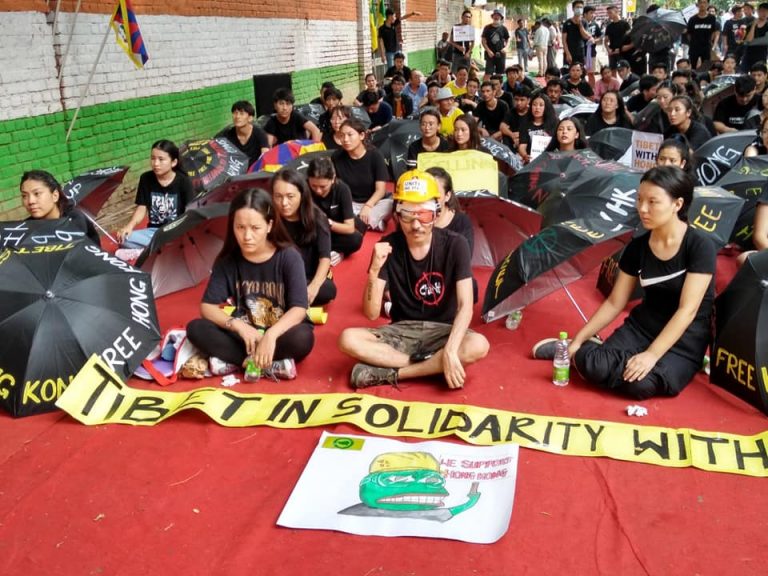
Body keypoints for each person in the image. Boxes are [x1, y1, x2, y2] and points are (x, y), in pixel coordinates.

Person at [532, 166, 717, 400]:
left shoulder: (699, 246)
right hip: (642, 328)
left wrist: (651, 355)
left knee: (639, 386)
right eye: (639, 199)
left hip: (685, 339)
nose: (643, 208)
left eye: (653, 202)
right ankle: (589, 347)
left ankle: (609, 357)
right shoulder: (637, 246)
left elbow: (687, 311)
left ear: (677, 204)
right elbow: (615, 302)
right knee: (594, 366)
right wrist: (577, 340)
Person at [338, 169, 489, 389]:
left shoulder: (456, 244)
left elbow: (465, 306)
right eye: (408, 216)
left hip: (442, 331)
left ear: (436, 214)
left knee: (478, 344)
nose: (416, 225)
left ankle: (394, 374)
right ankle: (431, 366)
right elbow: (371, 314)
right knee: (348, 339)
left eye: (424, 215)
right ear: (397, 216)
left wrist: (449, 349)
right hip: (401, 331)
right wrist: (373, 271)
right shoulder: (388, 246)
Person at [186, 188, 313, 378]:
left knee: (303, 337)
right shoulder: (228, 261)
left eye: (255, 228)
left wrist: (271, 335)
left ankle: (236, 361)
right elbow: (207, 307)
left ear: (269, 225)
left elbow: (299, 308)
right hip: (245, 336)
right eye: (240, 227)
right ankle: (262, 363)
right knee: (196, 328)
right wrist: (238, 325)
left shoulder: (289, 257)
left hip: (280, 334)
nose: (247, 236)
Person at [271, 169, 335, 306]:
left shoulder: (317, 218)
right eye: (278, 196)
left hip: (308, 277)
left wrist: (314, 286)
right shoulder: (269, 218)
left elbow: (325, 258)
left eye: (290, 196)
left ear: (302, 195)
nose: (284, 203)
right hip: (278, 276)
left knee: (328, 290)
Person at [116, 139, 193, 250]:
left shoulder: (184, 181)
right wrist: (129, 226)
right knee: (125, 239)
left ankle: (150, 250)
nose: (156, 164)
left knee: (181, 243)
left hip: (175, 232)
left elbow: (189, 211)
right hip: (153, 233)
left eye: (161, 159)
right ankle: (158, 249)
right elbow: (142, 208)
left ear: (173, 162)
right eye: (153, 158)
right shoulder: (146, 178)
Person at [332, 118, 392, 231]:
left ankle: (354, 223)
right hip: (350, 203)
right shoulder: (337, 156)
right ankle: (371, 224)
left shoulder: (375, 155)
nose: (345, 139)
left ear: (361, 135)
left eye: (350, 135)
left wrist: (368, 206)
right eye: (342, 135)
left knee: (390, 204)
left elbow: (381, 190)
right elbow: (336, 186)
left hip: (374, 203)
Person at [307, 156, 363, 264]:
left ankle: (335, 252)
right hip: (313, 232)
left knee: (356, 239)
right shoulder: (303, 188)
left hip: (335, 230)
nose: (318, 191)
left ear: (333, 179)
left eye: (323, 186)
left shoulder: (342, 189)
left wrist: (328, 223)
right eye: (313, 186)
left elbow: (349, 228)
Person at [19, 170, 99, 244]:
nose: (30, 201)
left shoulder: (74, 219)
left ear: (55, 195)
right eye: (24, 196)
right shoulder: (24, 228)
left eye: (37, 193)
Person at [222, 100, 269, 167]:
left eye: (241, 113)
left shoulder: (260, 134)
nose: (237, 116)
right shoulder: (228, 134)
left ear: (250, 118)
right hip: (236, 170)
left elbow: (265, 156)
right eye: (235, 113)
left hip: (255, 169)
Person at [518, 93, 558, 164]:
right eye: (534, 105)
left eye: (541, 105)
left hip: (550, 161)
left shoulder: (554, 123)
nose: (537, 108)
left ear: (547, 107)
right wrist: (524, 155)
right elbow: (522, 145)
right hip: (532, 161)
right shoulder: (525, 123)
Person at [687, 0, 721, 70]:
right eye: (700, 2)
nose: (702, 4)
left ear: (708, 4)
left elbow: (713, 32)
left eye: (704, 2)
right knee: (692, 68)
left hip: (706, 47)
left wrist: (709, 42)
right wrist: (694, 42)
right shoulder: (692, 19)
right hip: (694, 48)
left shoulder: (712, 18)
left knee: (706, 68)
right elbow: (689, 34)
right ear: (698, 4)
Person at [500, 85, 532, 151]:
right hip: (514, 141)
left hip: (529, 139)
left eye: (522, 100)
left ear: (528, 100)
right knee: (505, 136)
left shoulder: (532, 112)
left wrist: (522, 136)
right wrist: (512, 135)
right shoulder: (511, 112)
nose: (518, 103)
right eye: (516, 99)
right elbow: (502, 126)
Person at [482, 9, 510, 80]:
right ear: (492, 17)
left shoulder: (503, 28)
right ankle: (485, 86)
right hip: (490, 55)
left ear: (501, 17)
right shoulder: (487, 28)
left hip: (501, 54)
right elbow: (483, 41)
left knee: (499, 74)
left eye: (498, 16)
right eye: (495, 15)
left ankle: (497, 86)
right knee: (488, 74)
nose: (496, 17)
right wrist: (488, 51)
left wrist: (505, 48)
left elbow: (508, 39)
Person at [562, 0, 593, 66]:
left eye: (581, 7)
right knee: (568, 71)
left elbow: (586, 36)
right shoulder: (567, 23)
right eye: (577, 7)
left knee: (580, 70)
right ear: (573, 9)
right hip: (569, 52)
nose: (579, 9)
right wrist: (567, 53)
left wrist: (580, 25)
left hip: (580, 52)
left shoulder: (584, 22)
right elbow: (564, 40)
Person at [604, 5, 631, 72]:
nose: (609, 15)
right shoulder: (609, 26)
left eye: (610, 12)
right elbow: (606, 40)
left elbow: (629, 37)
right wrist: (608, 50)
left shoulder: (625, 24)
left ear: (616, 12)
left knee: (624, 70)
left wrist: (622, 48)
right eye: (608, 13)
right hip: (612, 52)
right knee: (612, 71)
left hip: (622, 52)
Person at [743, 2, 768, 70]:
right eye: (763, 11)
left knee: (759, 73)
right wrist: (753, 26)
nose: (765, 13)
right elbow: (748, 40)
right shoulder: (750, 24)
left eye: (766, 11)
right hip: (748, 54)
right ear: (758, 11)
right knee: (743, 73)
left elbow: (765, 41)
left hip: (761, 55)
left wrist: (749, 43)